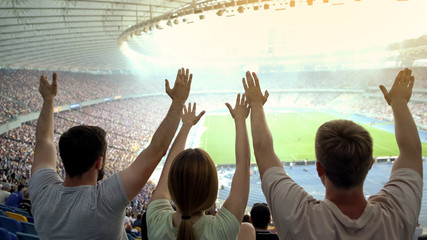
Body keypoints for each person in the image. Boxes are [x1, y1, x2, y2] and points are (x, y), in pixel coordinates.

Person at [243, 68, 422, 239]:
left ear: (319, 168)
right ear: (370, 165)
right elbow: (412, 151)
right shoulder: (398, 214)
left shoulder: (298, 217)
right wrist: (399, 103)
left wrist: (256, 104)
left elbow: (262, 149)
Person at [29, 68, 193, 239]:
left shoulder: (43, 192)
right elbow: (157, 149)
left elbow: (43, 141)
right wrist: (178, 101)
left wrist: (48, 100)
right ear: (99, 162)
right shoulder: (104, 201)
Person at [147, 93, 251, 240]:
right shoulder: (222, 230)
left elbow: (243, 165)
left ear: (172, 187)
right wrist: (240, 119)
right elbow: (244, 165)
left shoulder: (156, 220)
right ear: (212, 191)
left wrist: (186, 126)